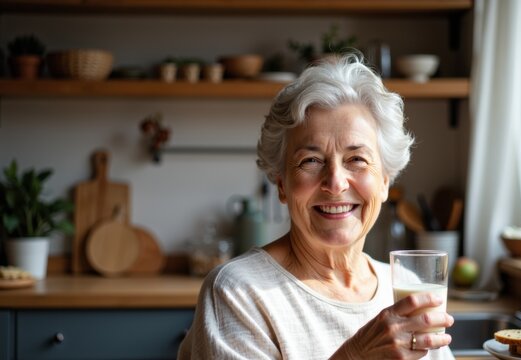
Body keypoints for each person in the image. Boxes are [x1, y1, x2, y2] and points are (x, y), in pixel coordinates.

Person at [178, 53, 454, 359]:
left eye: (357, 160)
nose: (336, 183)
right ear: (282, 184)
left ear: (385, 182)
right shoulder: (239, 292)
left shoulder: (405, 287)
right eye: (311, 161)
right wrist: (356, 355)